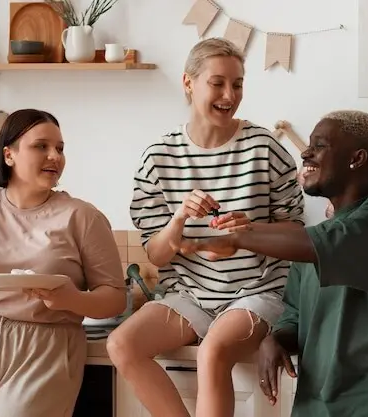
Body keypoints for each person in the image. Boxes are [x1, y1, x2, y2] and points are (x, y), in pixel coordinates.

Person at [178, 110, 368, 417]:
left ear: (357, 158)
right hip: (318, 405)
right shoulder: (310, 243)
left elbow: (326, 242)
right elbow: (295, 315)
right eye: (309, 144)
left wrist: (239, 238)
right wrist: (276, 339)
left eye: (320, 145)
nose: (305, 153)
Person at [106, 37, 305, 417]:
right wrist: (179, 219)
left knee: (213, 350)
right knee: (121, 345)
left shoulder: (264, 148)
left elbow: (297, 236)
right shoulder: (159, 157)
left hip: (257, 291)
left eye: (238, 84)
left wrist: (247, 234)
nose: (229, 95)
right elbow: (156, 254)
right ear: (188, 82)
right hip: (189, 295)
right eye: (218, 83)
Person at [0, 109, 127, 417]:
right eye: (41, 146)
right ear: (8, 155)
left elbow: (115, 298)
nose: (55, 156)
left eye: (60, 148)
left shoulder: (82, 216)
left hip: (46, 347)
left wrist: (71, 300)